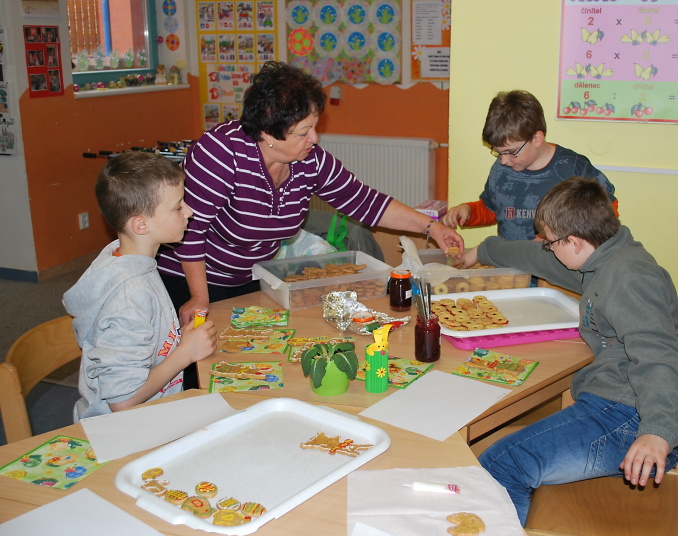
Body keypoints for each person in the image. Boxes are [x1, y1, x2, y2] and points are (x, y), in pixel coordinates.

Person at [157, 61, 463, 327]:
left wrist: (431, 226)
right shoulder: (220, 152)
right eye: (304, 132)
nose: (315, 139)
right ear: (268, 132)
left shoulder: (310, 161)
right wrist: (199, 296)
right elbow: (191, 230)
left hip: (248, 276)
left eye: (314, 127)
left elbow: (365, 201)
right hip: (188, 277)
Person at [460, 177, 678, 524]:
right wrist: (485, 250)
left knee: (502, 464)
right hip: (619, 402)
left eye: (551, 242)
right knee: (503, 454)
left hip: (633, 420)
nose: (547, 248)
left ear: (575, 242)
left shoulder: (629, 278)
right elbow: (538, 260)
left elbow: (659, 356)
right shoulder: (602, 256)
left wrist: (657, 431)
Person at [63, 152, 218, 421]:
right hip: (122, 428)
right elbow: (122, 401)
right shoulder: (130, 295)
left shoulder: (131, 261)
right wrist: (185, 353)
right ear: (141, 225)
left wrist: (176, 341)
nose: (189, 212)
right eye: (178, 207)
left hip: (152, 414)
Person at [442, 90, 617, 241]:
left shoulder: (573, 168)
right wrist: (468, 211)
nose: (504, 161)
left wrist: (556, 238)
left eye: (511, 152)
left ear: (536, 139)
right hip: (510, 265)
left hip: (556, 268)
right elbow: (493, 209)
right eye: (498, 152)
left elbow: (607, 213)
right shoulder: (500, 169)